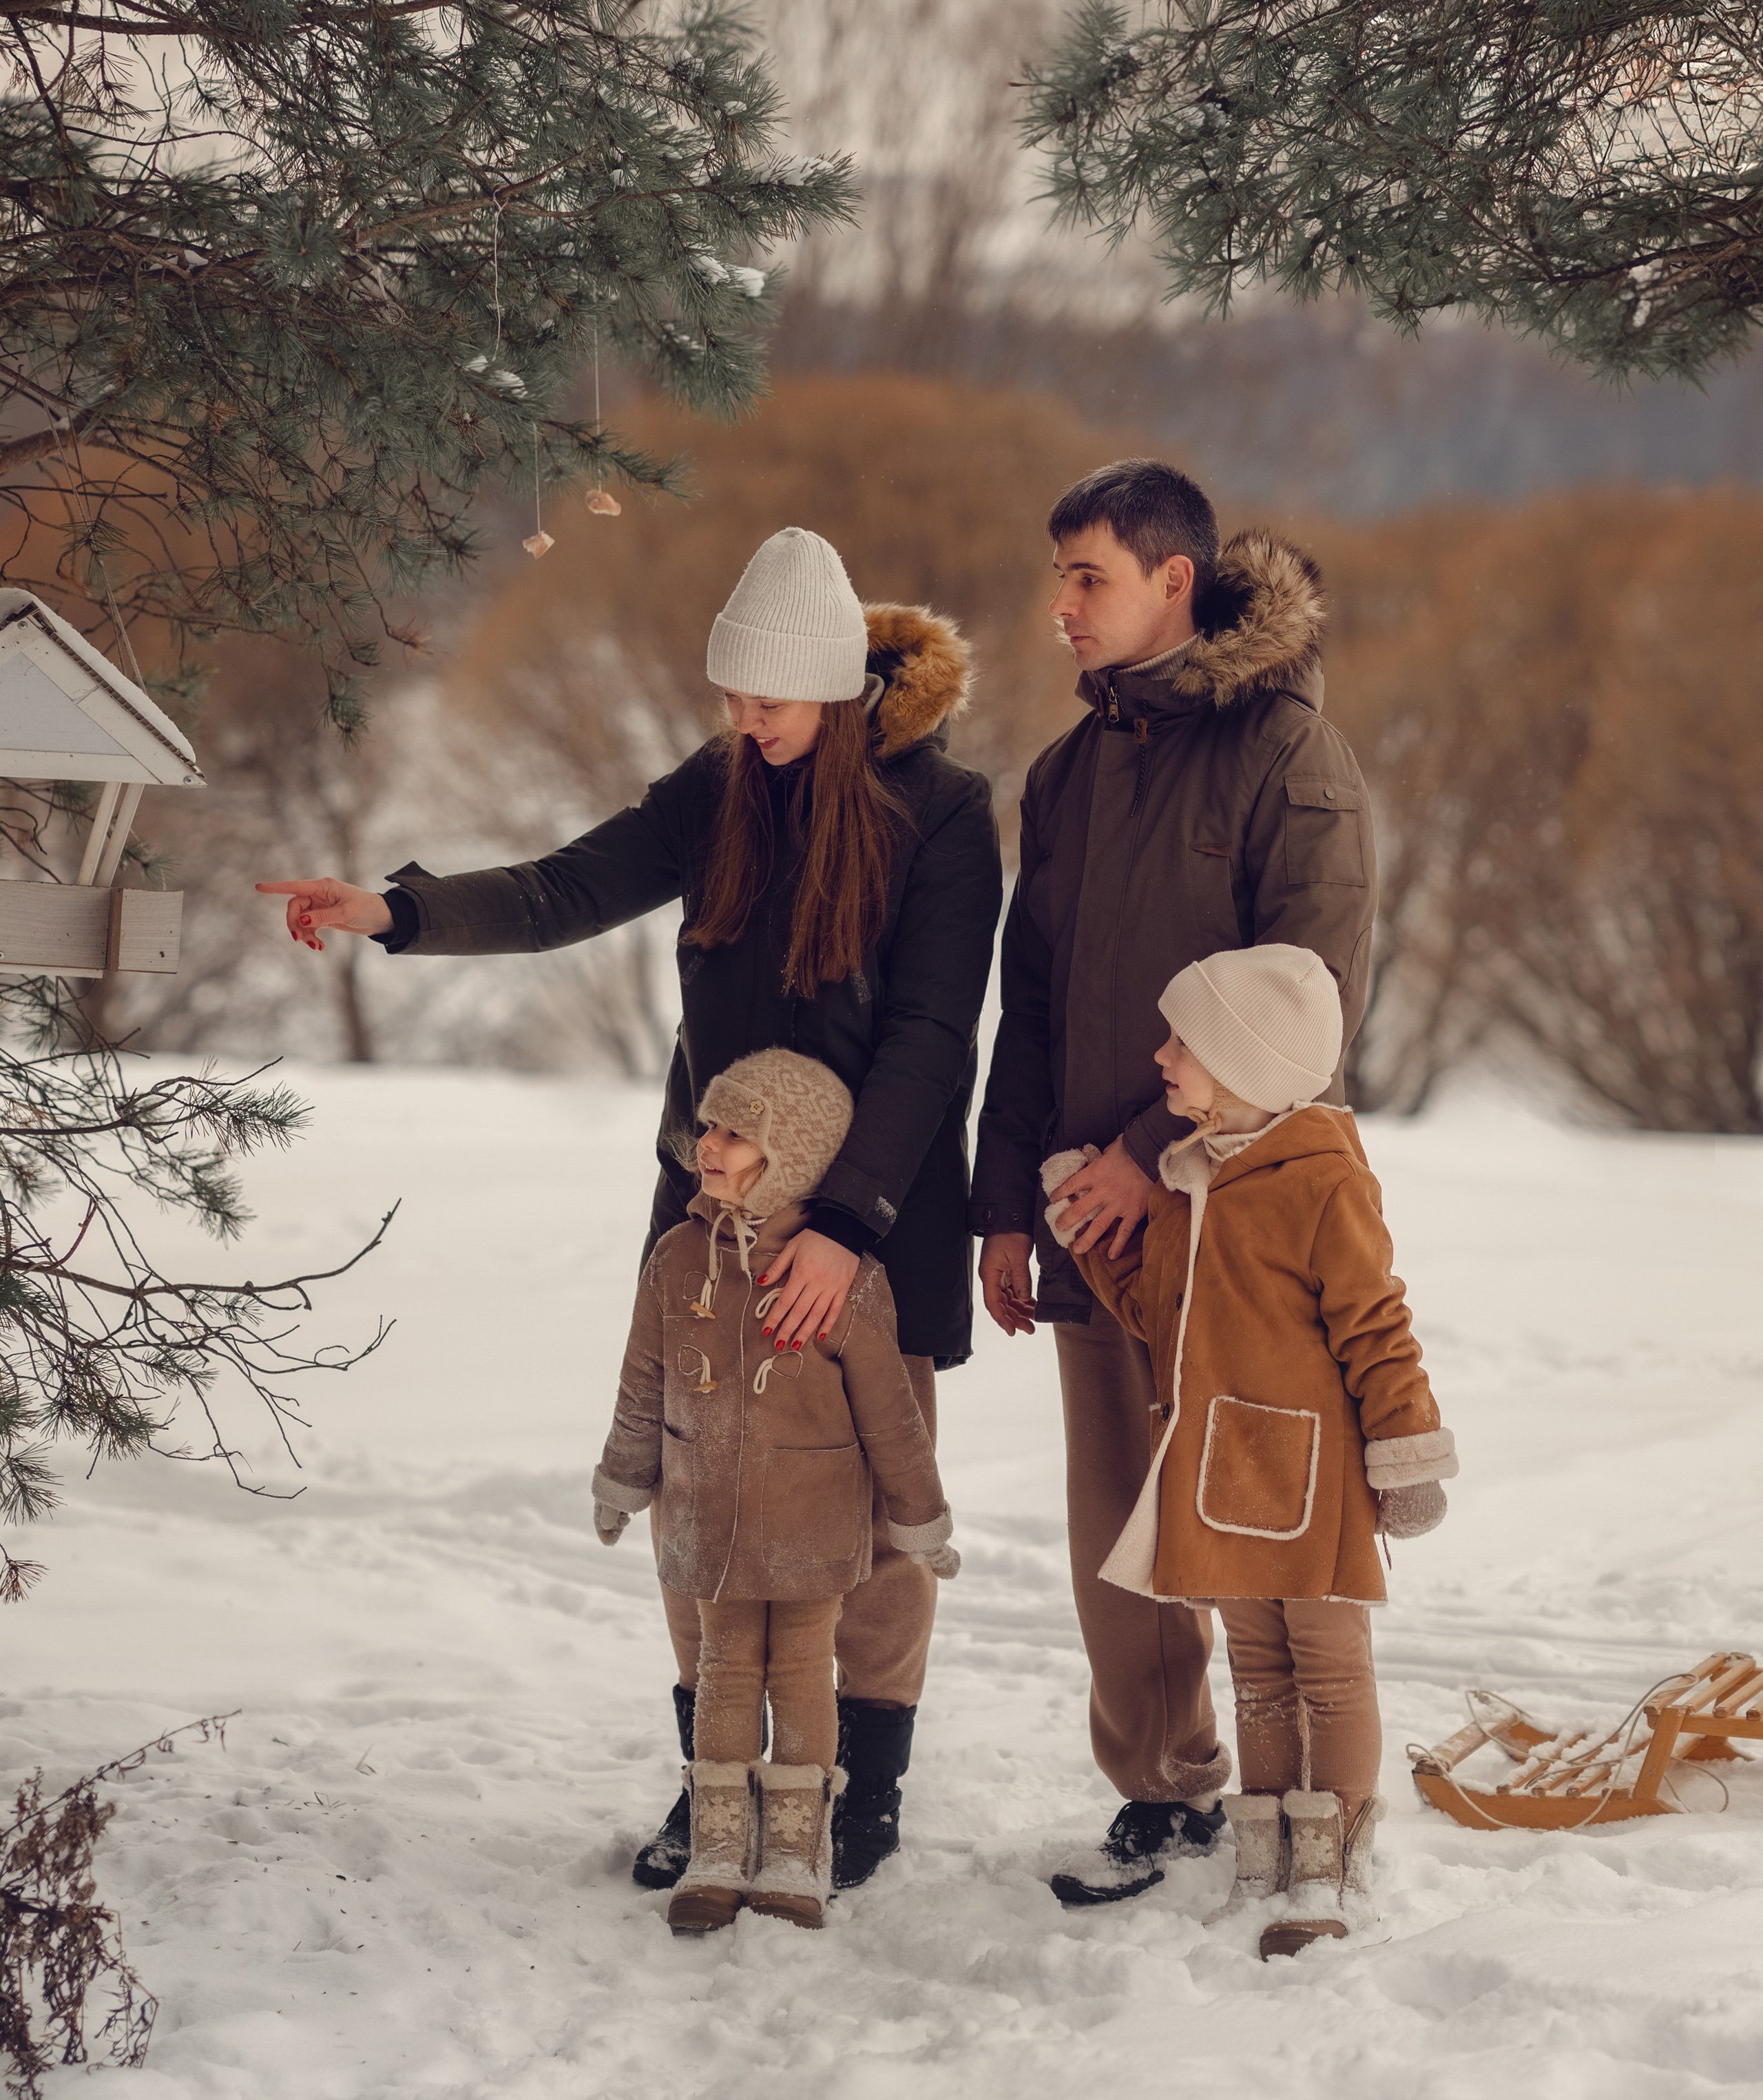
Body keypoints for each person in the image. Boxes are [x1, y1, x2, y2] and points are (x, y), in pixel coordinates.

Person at [260, 528, 1001, 1891]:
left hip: (872, 1213)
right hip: (711, 1205)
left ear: (837, 691)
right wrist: (394, 911)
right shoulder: (720, 787)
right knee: (702, 1482)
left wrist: (846, 1228)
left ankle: (857, 1796)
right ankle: (711, 1778)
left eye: (767, 701)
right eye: (728, 698)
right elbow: (562, 890)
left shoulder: (943, 818)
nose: (742, 723)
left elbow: (931, 1039)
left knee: (867, 1508)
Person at [969, 459, 1378, 1906]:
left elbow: (1315, 1004)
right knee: (1113, 1532)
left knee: (1266, 1523)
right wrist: (1005, 1201)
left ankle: (1313, 1815)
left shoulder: (1286, 755)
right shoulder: (1066, 774)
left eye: (1085, 576)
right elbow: (1030, 1003)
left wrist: (1154, 1158)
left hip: (1240, 1231)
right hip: (1082, 1220)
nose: (1059, 606)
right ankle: (1164, 1795)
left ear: (1172, 582)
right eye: (1058, 574)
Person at [1044, 943, 1456, 1958]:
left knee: (1328, 1667)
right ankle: (1267, 1847)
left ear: (1246, 1059)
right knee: (1260, 1673)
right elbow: (1155, 1312)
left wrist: (1408, 1449)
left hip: (1312, 1480)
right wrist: (1088, 1234)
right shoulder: (1193, 1180)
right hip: (1221, 1476)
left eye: (1183, 1041)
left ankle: (1331, 1862)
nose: (1161, 1056)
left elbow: (1377, 1327)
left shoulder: (1322, 1181)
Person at [593, 1047, 958, 1933]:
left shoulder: (849, 1281)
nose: (705, 1146)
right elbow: (643, 1379)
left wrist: (919, 1521)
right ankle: (720, 1846)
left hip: (811, 1535)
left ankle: (796, 1851)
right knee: (722, 1678)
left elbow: (892, 1419)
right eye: (708, 1126)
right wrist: (624, 1477)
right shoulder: (679, 1260)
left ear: (790, 1157)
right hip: (707, 1529)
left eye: (734, 1134)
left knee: (800, 1678)